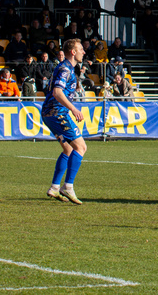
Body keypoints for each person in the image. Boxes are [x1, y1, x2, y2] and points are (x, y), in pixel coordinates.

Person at [42, 38, 88, 204]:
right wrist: (74, 109)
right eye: (81, 49)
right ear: (73, 52)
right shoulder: (66, 69)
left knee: (68, 150)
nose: (84, 51)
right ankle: (67, 187)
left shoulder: (67, 69)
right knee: (81, 147)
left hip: (50, 113)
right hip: (57, 113)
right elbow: (57, 92)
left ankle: (55, 187)